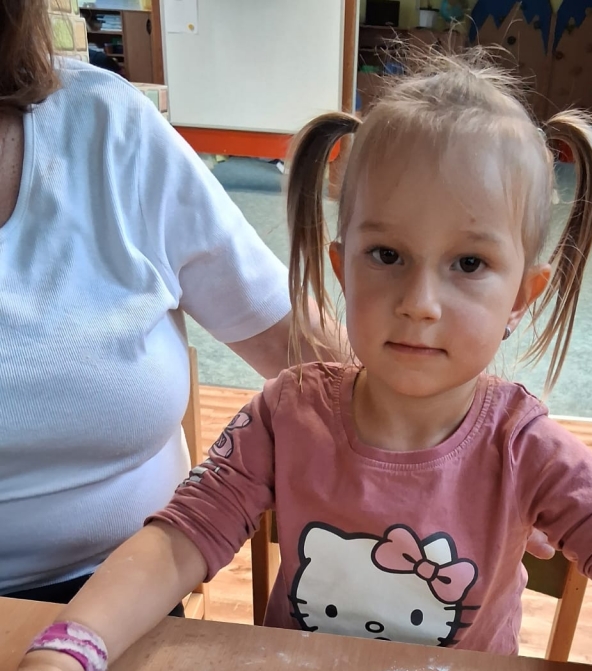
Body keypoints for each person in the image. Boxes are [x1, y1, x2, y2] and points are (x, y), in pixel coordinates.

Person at [0, 53, 592, 671]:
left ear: (523, 295)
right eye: (387, 256)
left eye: (469, 265)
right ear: (341, 266)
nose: (420, 303)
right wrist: (61, 658)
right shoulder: (287, 415)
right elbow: (176, 543)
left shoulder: (524, 448)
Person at [0, 0, 339, 608]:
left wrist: (442, 437)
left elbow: (301, 347)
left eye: (469, 265)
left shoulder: (105, 125)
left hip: (128, 582)